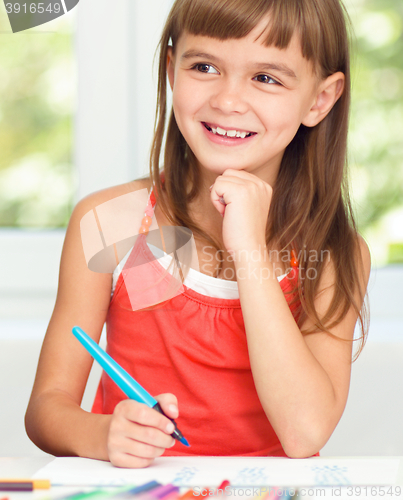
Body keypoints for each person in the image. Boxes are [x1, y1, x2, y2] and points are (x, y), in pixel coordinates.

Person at [25, 0, 371, 468]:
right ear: (172, 71)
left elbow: (303, 430)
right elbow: (47, 408)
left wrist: (248, 249)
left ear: (319, 100)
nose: (227, 100)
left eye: (266, 78)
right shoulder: (111, 223)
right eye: (204, 66)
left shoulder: (333, 253)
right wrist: (102, 432)